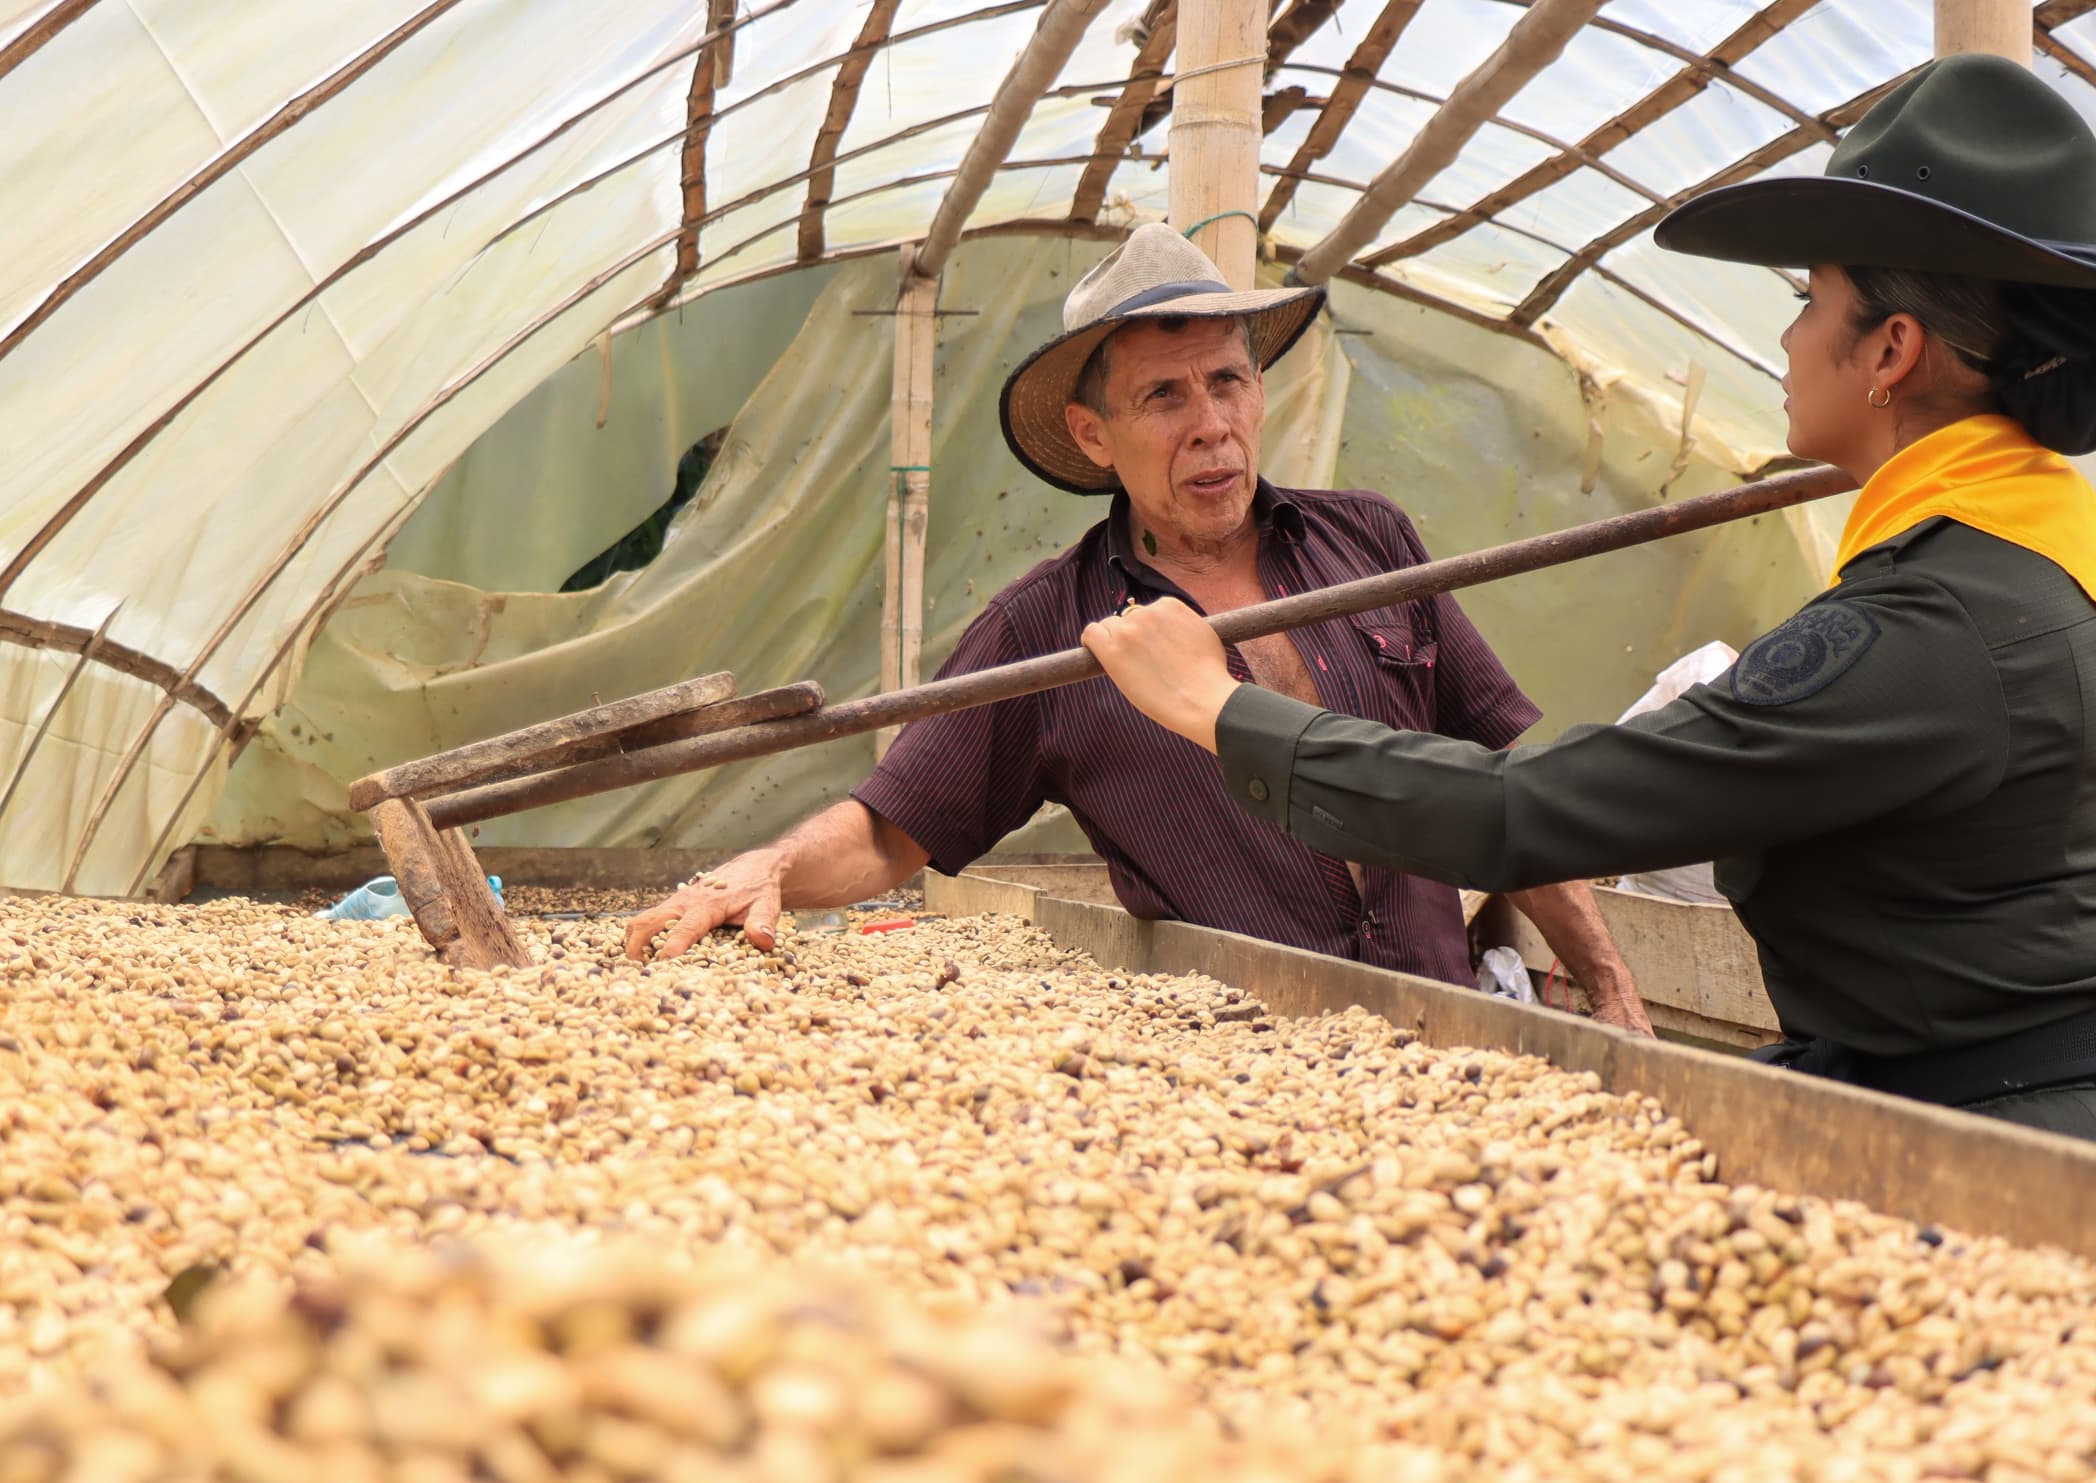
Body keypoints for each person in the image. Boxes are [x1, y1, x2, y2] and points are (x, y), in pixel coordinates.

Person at [1079, 54, 2096, 1172]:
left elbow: (1516, 809)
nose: (1790, 332)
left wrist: (1221, 709)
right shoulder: (2091, 559)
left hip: (2028, 1156)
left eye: (1813, 299)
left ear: (1892, 350)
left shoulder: (1919, 623)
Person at [623, 222, 1650, 1035]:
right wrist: (767, 868)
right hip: (1243, 1071)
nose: (1211, 424)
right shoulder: (1053, 625)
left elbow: (1502, 787)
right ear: (1092, 433)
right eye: (1164, 395)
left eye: (1228, 381)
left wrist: (1608, 985)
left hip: (1451, 1032)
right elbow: (896, 827)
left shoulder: (1372, 541)